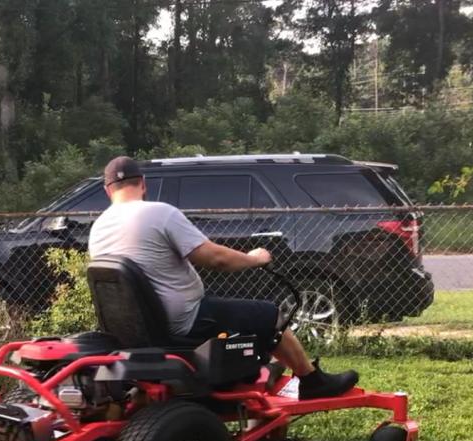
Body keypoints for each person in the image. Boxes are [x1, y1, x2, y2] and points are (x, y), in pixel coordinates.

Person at [88, 156, 359, 400]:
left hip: (135, 331)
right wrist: (255, 258)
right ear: (143, 184)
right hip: (186, 322)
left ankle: (256, 375)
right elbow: (216, 259)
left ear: (107, 190)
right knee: (271, 316)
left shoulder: (98, 228)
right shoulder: (159, 213)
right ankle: (312, 381)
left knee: (240, 316)